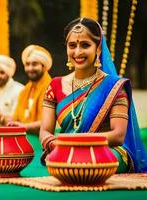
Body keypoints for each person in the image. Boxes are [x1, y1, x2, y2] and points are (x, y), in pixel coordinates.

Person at [39, 17, 147, 173]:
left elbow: (118, 136)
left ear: (98, 49)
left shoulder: (114, 86)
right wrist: (52, 143)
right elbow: (45, 130)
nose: (77, 52)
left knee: (85, 162)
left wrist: (71, 141)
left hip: (105, 151)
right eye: (72, 45)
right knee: (69, 162)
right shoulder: (55, 85)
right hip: (66, 149)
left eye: (85, 45)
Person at [6, 45, 53, 134]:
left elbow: (49, 122)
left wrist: (24, 126)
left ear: (44, 66)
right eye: (27, 64)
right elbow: (16, 117)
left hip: (45, 139)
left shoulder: (51, 88)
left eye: (34, 64)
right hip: (25, 137)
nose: (30, 68)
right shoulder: (25, 91)